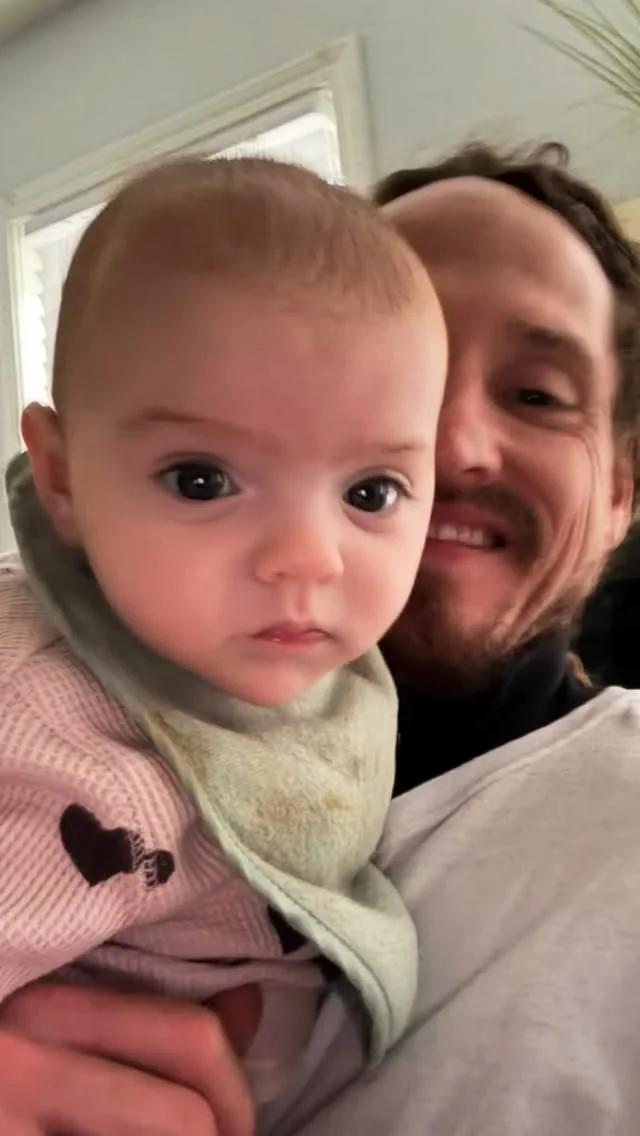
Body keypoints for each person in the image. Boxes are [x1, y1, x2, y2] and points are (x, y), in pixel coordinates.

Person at [1, 138, 640, 1136]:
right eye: (204, 476)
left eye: (536, 396)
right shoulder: (51, 704)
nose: (451, 447)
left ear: (622, 495)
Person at [0, 154, 448, 1129]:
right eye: (201, 479)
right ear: (63, 479)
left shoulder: (308, 673)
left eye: (371, 491)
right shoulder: (49, 730)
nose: (308, 557)